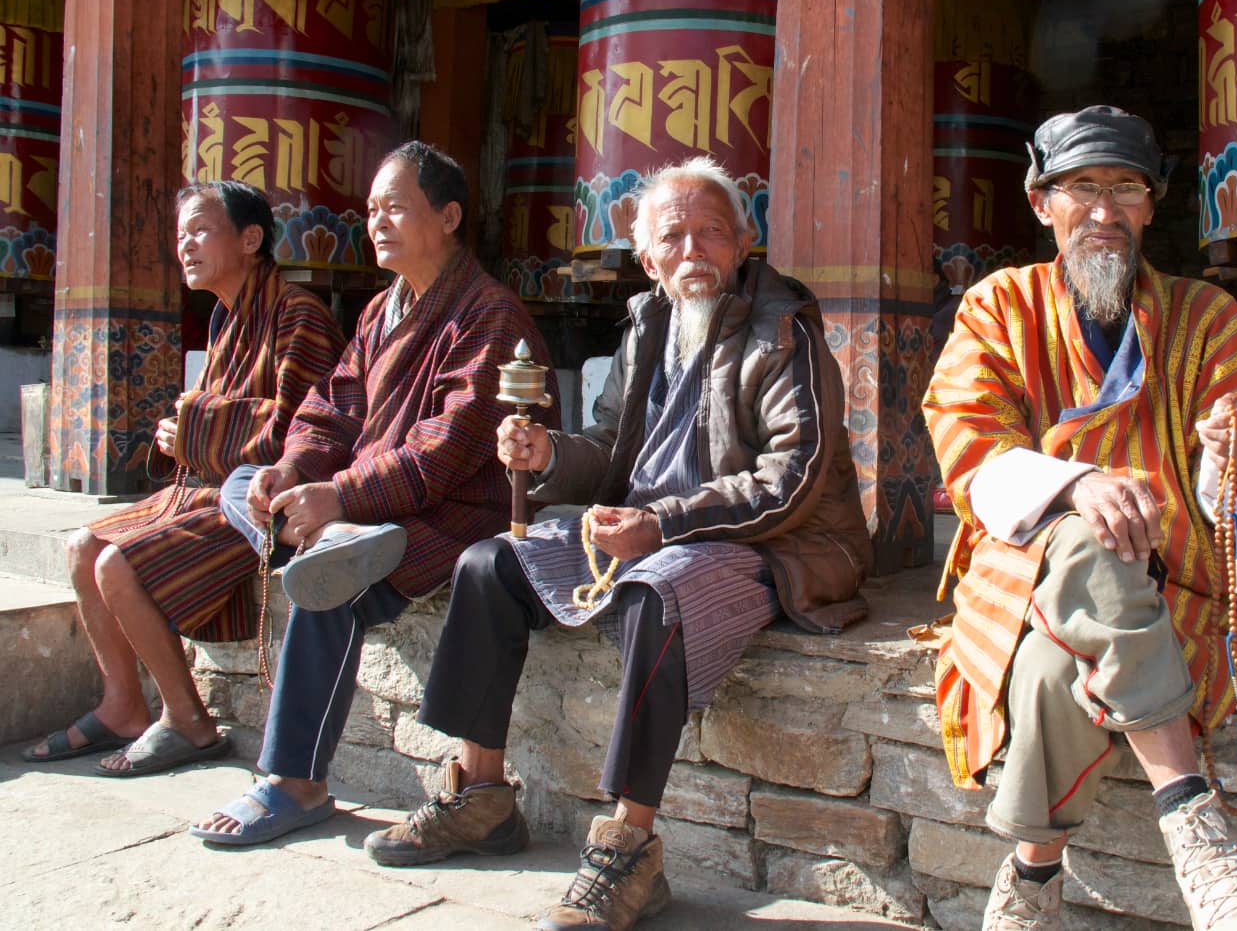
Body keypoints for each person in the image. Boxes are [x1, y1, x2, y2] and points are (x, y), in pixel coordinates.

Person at [363, 156, 874, 931]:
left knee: (655, 590)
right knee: (489, 562)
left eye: (712, 232)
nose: (694, 250)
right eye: (674, 236)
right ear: (647, 259)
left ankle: (629, 844)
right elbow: (609, 449)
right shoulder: (649, 323)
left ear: (744, 240)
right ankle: (480, 794)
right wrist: (549, 456)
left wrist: (662, 524)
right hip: (647, 526)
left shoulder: (782, 327)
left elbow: (792, 477)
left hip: (773, 543)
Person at [922, 106, 1237, 931]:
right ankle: (1194, 821)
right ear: (1042, 203)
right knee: (1090, 532)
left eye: (1126, 189)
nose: (1104, 211)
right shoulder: (998, 306)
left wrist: (1236, 454)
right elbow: (967, 447)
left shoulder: (1206, 317)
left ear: (1150, 206)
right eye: (1082, 188)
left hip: (1167, 576)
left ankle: (1031, 877)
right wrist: (1076, 486)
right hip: (1027, 571)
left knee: (1048, 675)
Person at [187, 141, 558, 846]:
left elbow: (441, 454)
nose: (376, 223)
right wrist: (294, 473)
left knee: (331, 586)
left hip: (451, 512)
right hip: (366, 505)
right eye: (370, 210)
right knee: (243, 484)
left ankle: (293, 780)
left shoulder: (488, 315)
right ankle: (314, 535)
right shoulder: (380, 311)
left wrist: (340, 498)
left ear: (448, 216)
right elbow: (331, 409)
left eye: (395, 207)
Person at [24, 181, 343, 774]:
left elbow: (309, 431)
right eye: (180, 235)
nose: (185, 245)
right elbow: (230, 414)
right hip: (199, 485)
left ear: (250, 239)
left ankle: (188, 720)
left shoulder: (299, 314)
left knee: (116, 564)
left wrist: (194, 422)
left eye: (200, 229)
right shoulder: (227, 316)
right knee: (80, 546)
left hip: (253, 499)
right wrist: (181, 433)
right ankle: (122, 705)